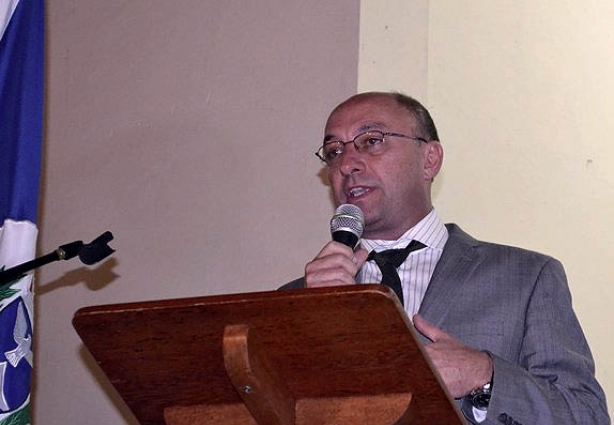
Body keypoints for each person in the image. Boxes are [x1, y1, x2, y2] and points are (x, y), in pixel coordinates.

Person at [281, 92, 609, 424]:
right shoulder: (290, 302)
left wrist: (486, 377)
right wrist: (312, 318)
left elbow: (586, 415)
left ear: (430, 160)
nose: (347, 164)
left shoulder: (527, 278)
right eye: (335, 151)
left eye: (371, 141)